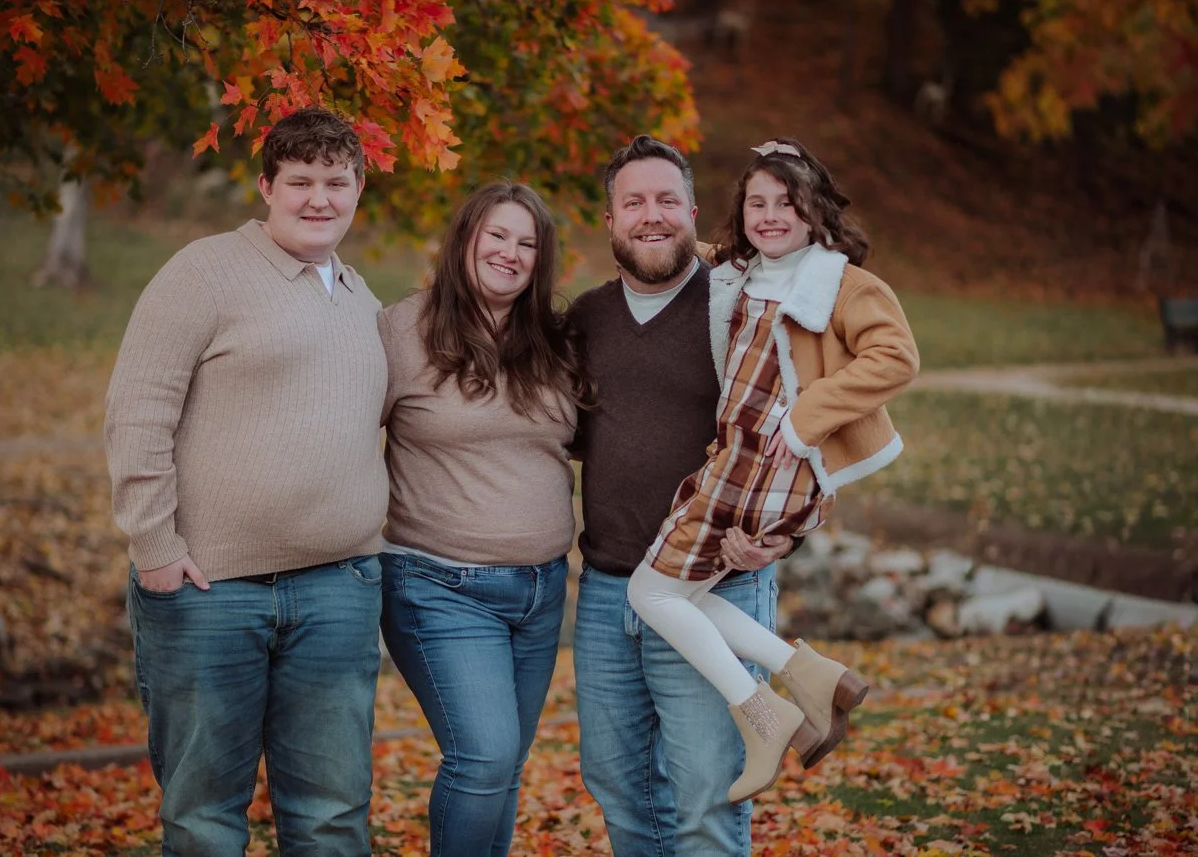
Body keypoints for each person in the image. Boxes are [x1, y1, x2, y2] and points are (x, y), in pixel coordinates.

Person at [105, 107, 387, 856]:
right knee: (203, 814)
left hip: (338, 590)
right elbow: (137, 411)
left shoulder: (361, 298)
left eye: (336, 182)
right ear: (266, 187)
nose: (319, 199)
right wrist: (155, 545)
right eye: (300, 182)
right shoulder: (203, 272)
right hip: (210, 591)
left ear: (358, 189)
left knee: (332, 814)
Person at [626, 138, 920, 804]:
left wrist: (804, 417)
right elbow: (689, 252)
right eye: (756, 203)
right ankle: (811, 675)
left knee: (651, 595)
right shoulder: (744, 272)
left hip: (771, 462)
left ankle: (766, 716)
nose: (770, 216)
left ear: (816, 211)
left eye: (786, 203)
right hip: (738, 456)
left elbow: (896, 357)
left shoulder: (840, 282)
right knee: (678, 595)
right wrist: (655, 222)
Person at [568, 134, 796, 857]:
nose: (652, 215)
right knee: (620, 788)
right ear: (610, 219)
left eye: (667, 200)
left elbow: (806, 433)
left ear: (693, 213)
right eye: (633, 202)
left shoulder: (740, 306)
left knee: (706, 800)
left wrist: (785, 531)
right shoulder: (585, 320)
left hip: (711, 585)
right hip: (607, 594)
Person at [376, 182, 592, 857]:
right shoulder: (403, 331)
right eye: (497, 235)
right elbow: (340, 437)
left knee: (505, 766)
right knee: (485, 757)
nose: (511, 253)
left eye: (528, 244)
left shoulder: (555, 342)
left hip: (541, 590)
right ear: (465, 239)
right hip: (436, 584)